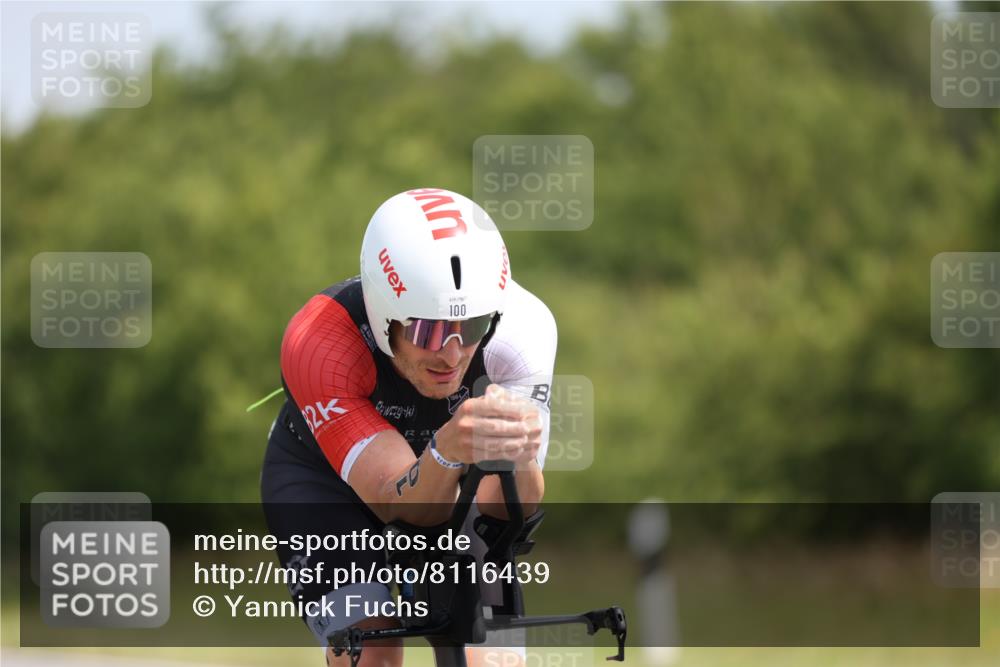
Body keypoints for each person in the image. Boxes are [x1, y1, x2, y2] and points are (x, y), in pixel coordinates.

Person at [261, 187, 557, 667]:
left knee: (488, 659)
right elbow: (395, 502)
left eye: (474, 326)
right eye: (429, 331)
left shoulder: (523, 331)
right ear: (384, 316)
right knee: (372, 653)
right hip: (326, 487)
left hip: (452, 479)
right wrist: (445, 450)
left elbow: (507, 511)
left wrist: (516, 455)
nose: (452, 354)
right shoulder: (319, 342)